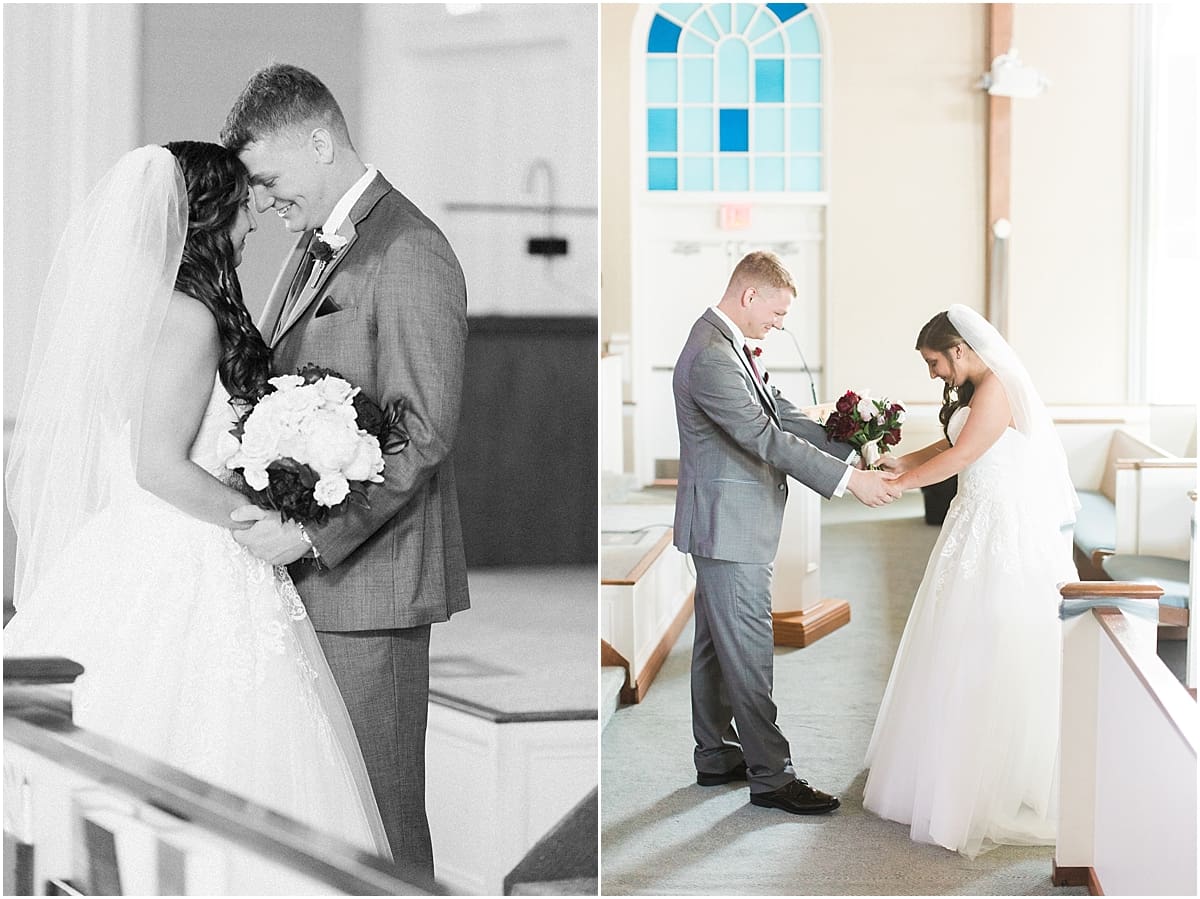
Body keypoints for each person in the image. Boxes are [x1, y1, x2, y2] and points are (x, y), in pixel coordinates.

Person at [3, 143, 392, 859]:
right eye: (245, 206)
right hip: (187, 551)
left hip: (134, 541)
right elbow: (158, 467)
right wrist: (261, 519)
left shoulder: (143, 306)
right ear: (210, 214)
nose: (254, 222)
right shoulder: (186, 317)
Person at [219, 64, 470, 876]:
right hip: (310, 584)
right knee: (328, 813)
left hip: (370, 586)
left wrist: (310, 533)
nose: (263, 201)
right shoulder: (312, 245)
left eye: (269, 178)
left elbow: (422, 431)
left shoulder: (410, 249)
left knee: (383, 818)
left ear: (321, 141)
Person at [672, 250, 902, 815]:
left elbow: (782, 414)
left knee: (714, 646)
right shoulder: (710, 357)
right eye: (776, 314)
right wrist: (849, 482)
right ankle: (772, 777)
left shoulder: (727, 346)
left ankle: (717, 754)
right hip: (729, 528)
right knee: (748, 649)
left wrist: (853, 447)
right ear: (749, 296)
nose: (779, 325)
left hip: (727, 523)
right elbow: (764, 439)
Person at [863, 304, 1079, 857]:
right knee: (952, 637)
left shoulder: (998, 388)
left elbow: (965, 454)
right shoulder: (975, 389)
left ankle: (988, 781)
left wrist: (901, 485)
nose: (933, 374)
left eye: (935, 362)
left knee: (986, 638)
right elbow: (951, 442)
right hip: (971, 522)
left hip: (1000, 528)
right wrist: (900, 461)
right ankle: (941, 770)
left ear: (960, 349)